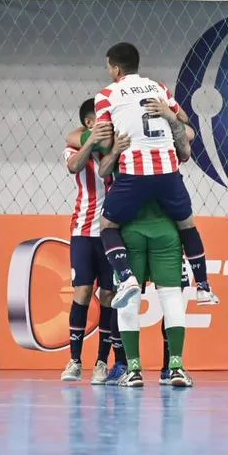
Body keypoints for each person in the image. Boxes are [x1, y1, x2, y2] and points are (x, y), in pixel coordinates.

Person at [94, 42, 219, 310]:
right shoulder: (159, 88)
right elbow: (184, 120)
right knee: (187, 225)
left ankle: (126, 278)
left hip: (134, 175)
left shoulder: (106, 95)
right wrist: (169, 115)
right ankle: (204, 288)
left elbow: (104, 139)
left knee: (107, 226)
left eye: (108, 67)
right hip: (167, 172)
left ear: (116, 69)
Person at [97, 107, 195, 388]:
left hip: (130, 230)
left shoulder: (120, 137)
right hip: (166, 228)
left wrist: (111, 145)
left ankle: (134, 370)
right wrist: (172, 115)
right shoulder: (168, 141)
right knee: (171, 297)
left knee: (128, 296)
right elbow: (190, 133)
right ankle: (175, 367)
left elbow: (88, 144)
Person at [61, 100, 127, 384]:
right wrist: (89, 143)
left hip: (112, 231)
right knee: (83, 291)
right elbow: (73, 166)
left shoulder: (117, 147)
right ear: (90, 124)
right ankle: (75, 361)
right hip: (83, 229)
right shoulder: (76, 147)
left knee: (110, 297)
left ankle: (102, 362)